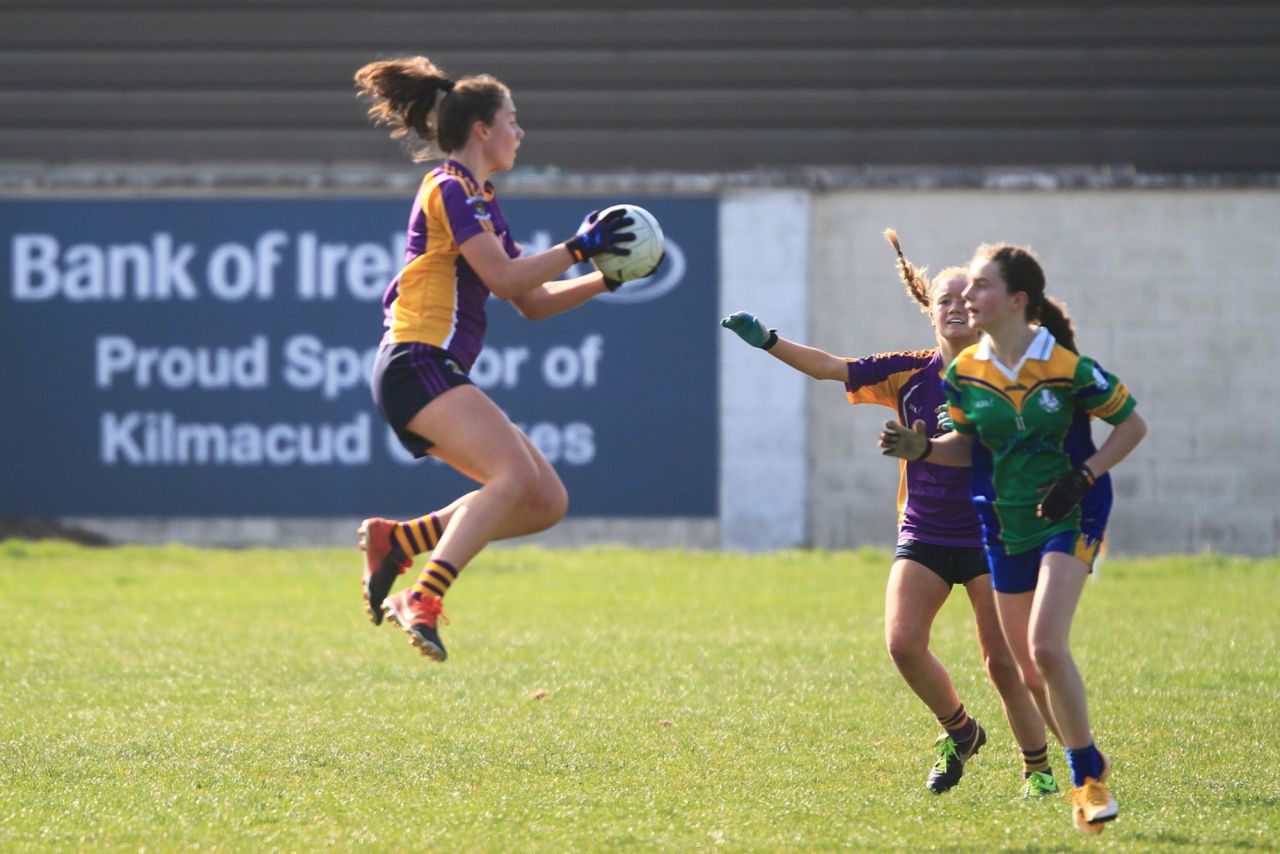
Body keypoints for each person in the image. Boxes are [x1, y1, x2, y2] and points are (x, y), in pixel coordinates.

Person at [722, 230, 1058, 797]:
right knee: (903, 644)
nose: (954, 307)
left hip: (989, 535)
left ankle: (1040, 771)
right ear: (930, 312)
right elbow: (832, 367)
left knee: (1004, 664)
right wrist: (769, 341)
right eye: (943, 300)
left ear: (983, 311)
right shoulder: (907, 372)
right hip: (924, 532)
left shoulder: (1008, 377)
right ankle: (961, 731)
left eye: (964, 299)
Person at [351, 55, 658, 662]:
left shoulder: (481, 196)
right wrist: (578, 246)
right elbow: (500, 273)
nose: (521, 133)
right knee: (512, 477)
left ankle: (401, 539)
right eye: (513, 120)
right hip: (417, 357)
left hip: (429, 366)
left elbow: (532, 300)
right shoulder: (447, 187)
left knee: (545, 500)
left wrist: (606, 278)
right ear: (483, 129)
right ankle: (423, 597)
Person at [880, 242, 1147, 833]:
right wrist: (920, 448)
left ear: (1016, 300)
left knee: (1045, 649)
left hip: (1070, 513)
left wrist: (1084, 476)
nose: (965, 297)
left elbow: (1132, 425)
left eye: (979, 287)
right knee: (1026, 668)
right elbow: (969, 446)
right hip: (1003, 522)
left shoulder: (1068, 367)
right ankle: (1086, 762)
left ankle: (1086, 780)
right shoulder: (966, 374)